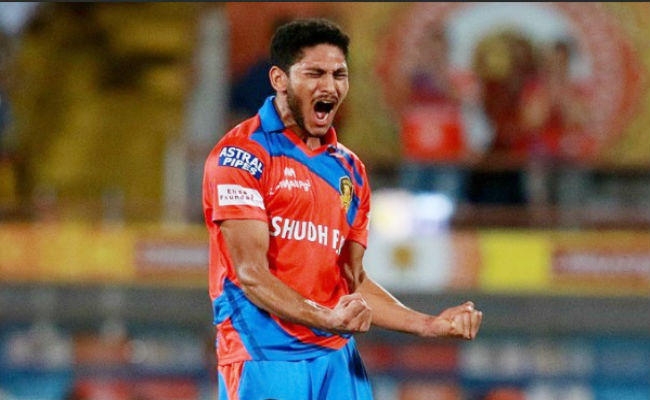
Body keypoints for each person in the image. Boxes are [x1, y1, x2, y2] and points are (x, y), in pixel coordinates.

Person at [202, 18, 482, 400]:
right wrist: (327, 317)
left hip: (337, 361)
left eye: (339, 75)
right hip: (265, 358)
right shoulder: (242, 155)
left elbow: (351, 280)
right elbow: (251, 274)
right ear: (279, 79)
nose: (329, 86)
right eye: (314, 73)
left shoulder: (350, 170)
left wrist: (428, 325)